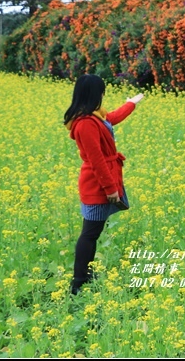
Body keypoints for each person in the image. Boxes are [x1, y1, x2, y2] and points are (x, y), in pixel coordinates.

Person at [63, 74, 144, 295]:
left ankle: (86, 274)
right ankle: (78, 282)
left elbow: (113, 117)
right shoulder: (86, 124)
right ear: (94, 94)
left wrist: (131, 103)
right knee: (89, 233)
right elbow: (97, 160)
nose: (103, 96)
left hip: (101, 181)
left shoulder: (94, 116)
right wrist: (111, 190)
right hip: (96, 185)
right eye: (101, 92)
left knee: (92, 232)